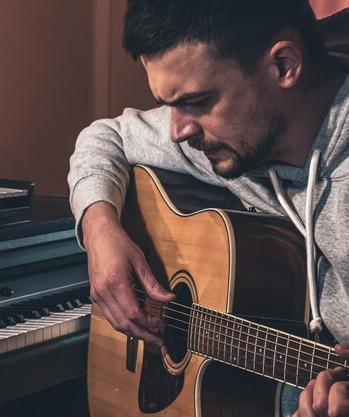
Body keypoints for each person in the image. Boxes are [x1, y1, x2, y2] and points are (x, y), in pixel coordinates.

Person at [67, 1, 349, 416]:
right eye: (169, 103)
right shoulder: (236, 139)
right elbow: (104, 137)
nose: (178, 131)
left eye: (197, 101)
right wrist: (100, 230)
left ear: (285, 65)